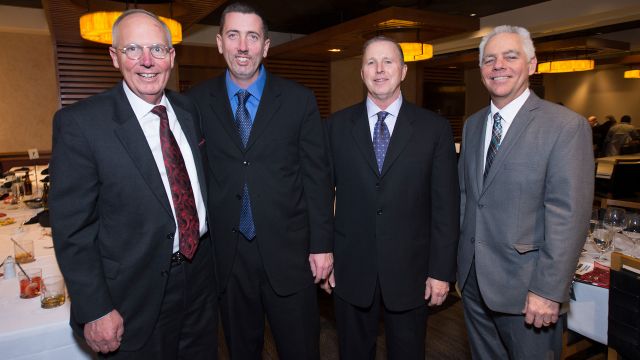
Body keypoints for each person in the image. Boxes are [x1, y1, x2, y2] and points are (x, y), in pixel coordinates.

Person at [49, 9, 217, 358]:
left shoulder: (189, 110)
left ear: (171, 57)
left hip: (200, 277)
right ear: (114, 57)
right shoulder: (81, 124)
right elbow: (72, 229)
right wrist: (94, 307)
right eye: (132, 49)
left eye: (157, 49)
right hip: (132, 294)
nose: (146, 61)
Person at [187, 2, 333, 359]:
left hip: (291, 256)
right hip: (228, 258)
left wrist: (322, 245)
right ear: (220, 42)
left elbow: (317, 178)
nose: (242, 46)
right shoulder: (194, 103)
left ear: (265, 46)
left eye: (252, 37)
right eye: (233, 35)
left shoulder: (299, 101)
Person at [457, 25, 594, 359]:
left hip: (528, 291)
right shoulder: (473, 125)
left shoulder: (564, 126)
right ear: (481, 71)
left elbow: (569, 215)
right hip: (474, 282)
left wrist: (548, 289)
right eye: (489, 59)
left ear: (532, 65)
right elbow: (468, 197)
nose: (498, 65)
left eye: (510, 56)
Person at [323, 36, 460, 359]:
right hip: (350, 269)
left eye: (388, 62)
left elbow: (446, 208)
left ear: (403, 71)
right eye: (371, 62)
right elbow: (319, 197)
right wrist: (324, 255)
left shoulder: (434, 129)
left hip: (412, 273)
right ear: (361, 73)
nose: (379, 69)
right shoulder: (336, 127)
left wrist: (442, 271)